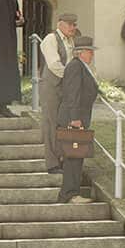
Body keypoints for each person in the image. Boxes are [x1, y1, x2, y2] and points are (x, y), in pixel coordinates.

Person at [55, 34, 100, 205]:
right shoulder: (75, 67)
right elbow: (72, 94)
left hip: (78, 117)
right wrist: (75, 118)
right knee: (73, 157)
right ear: (80, 52)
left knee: (76, 156)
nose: (92, 54)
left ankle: (71, 192)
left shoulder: (80, 66)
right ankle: (69, 194)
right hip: (73, 118)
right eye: (89, 51)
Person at [37, 13, 79, 175]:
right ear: (60, 24)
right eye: (70, 24)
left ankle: (62, 158)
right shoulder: (50, 39)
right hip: (52, 86)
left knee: (64, 123)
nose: (73, 27)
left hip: (65, 87)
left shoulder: (71, 41)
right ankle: (52, 163)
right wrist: (71, 78)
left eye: (74, 24)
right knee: (51, 123)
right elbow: (54, 64)